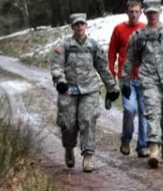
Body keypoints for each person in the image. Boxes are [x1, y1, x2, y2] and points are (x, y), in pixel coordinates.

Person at [121, 0, 163, 168]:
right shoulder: (138, 36)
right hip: (148, 80)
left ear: (160, 12)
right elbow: (129, 61)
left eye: (155, 12)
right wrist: (125, 81)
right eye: (149, 12)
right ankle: (153, 149)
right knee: (152, 113)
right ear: (145, 13)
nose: (152, 16)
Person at [50, 13, 120, 173]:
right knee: (68, 124)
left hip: (89, 90)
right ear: (72, 27)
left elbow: (102, 67)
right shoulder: (64, 45)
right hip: (68, 90)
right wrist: (60, 81)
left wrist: (111, 87)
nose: (79, 27)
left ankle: (88, 156)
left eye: (82, 24)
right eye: (76, 24)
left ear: (86, 25)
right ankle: (68, 148)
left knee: (87, 120)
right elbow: (56, 65)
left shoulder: (93, 46)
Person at [108, 0, 149, 158]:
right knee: (130, 109)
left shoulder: (145, 29)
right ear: (126, 12)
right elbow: (111, 53)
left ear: (141, 12)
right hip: (126, 79)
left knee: (144, 112)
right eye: (131, 12)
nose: (134, 15)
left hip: (143, 78)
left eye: (137, 12)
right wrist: (111, 75)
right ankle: (126, 139)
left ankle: (142, 146)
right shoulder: (119, 29)